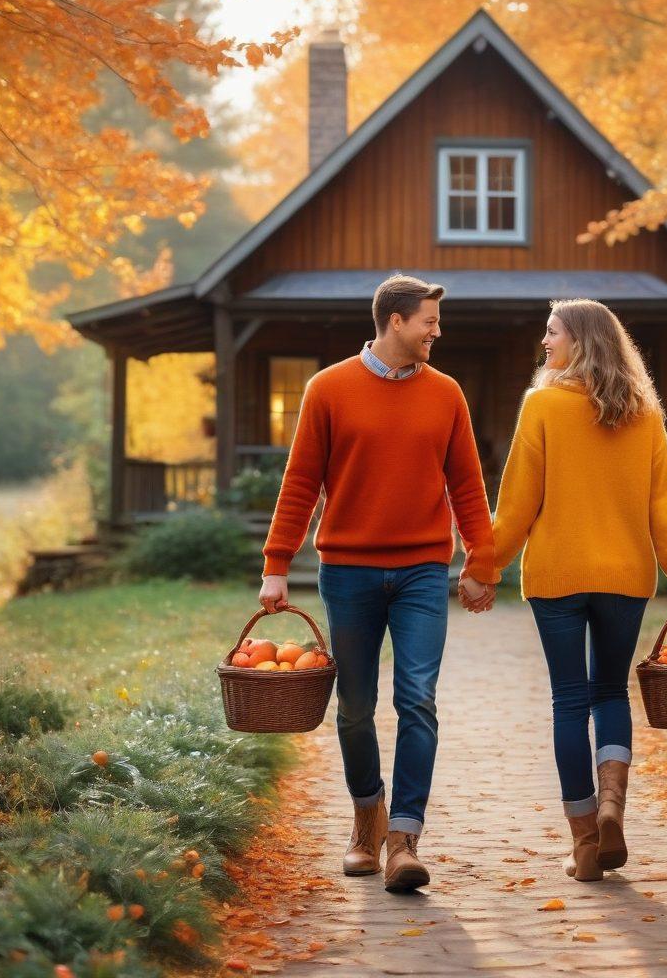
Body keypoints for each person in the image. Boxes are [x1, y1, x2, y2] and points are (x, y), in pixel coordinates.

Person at [259, 273, 496, 894]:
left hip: (423, 569)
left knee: (417, 697)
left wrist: (481, 563)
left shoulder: (447, 394)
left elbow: (468, 485)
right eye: (429, 322)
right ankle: (368, 815)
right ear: (396, 321)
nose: (437, 332)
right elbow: (301, 482)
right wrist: (277, 565)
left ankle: (404, 839)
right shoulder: (328, 389)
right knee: (356, 706)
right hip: (349, 571)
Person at [475, 298, 667, 882]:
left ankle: (584, 842)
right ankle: (612, 807)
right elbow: (665, 510)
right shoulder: (644, 414)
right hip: (625, 577)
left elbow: (519, 503)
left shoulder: (543, 405)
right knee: (610, 693)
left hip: (558, 576)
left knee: (569, 700)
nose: (545, 344)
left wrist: (485, 566)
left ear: (579, 340)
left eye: (552, 333)